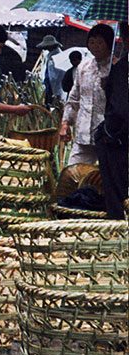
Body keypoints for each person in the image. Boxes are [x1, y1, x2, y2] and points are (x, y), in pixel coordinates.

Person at [60, 24, 115, 165]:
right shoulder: (83, 68)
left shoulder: (117, 68)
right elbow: (74, 98)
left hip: (109, 135)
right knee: (73, 172)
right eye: (92, 42)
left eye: (100, 42)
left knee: (105, 178)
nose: (95, 46)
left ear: (109, 44)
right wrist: (65, 123)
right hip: (83, 134)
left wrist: (110, 85)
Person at [95, 27, 127, 219]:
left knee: (118, 192)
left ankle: (119, 228)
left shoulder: (123, 67)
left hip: (120, 140)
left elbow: (121, 110)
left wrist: (108, 132)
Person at [37, 35, 63, 102]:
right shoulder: (51, 55)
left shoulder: (57, 56)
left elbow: (54, 77)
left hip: (54, 87)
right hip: (49, 85)